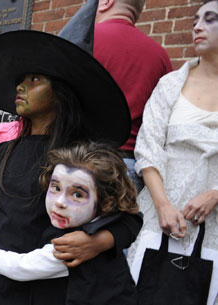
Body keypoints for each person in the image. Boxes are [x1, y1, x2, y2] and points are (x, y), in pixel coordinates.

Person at [0, 0, 142, 303]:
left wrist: (99, 242)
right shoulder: (3, 152)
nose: (21, 88)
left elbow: (130, 219)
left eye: (35, 80)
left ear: (62, 92)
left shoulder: (86, 158)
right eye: (20, 81)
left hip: (54, 288)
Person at [128, 1, 218, 304]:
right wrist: (163, 205)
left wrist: (215, 194)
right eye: (196, 19)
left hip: (215, 219)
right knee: (146, 286)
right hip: (161, 209)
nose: (197, 26)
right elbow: (148, 146)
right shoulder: (170, 84)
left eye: (210, 19)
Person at [0, 142, 139, 304]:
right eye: (55, 188)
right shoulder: (106, 220)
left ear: (106, 203)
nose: (60, 202)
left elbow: (21, 267)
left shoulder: (71, 246)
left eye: (77, 195)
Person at [94, 0, 173, 193]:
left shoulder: (86, 40)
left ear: (106, 2)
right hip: (133, 169)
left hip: (83, 161)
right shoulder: (160, 56)